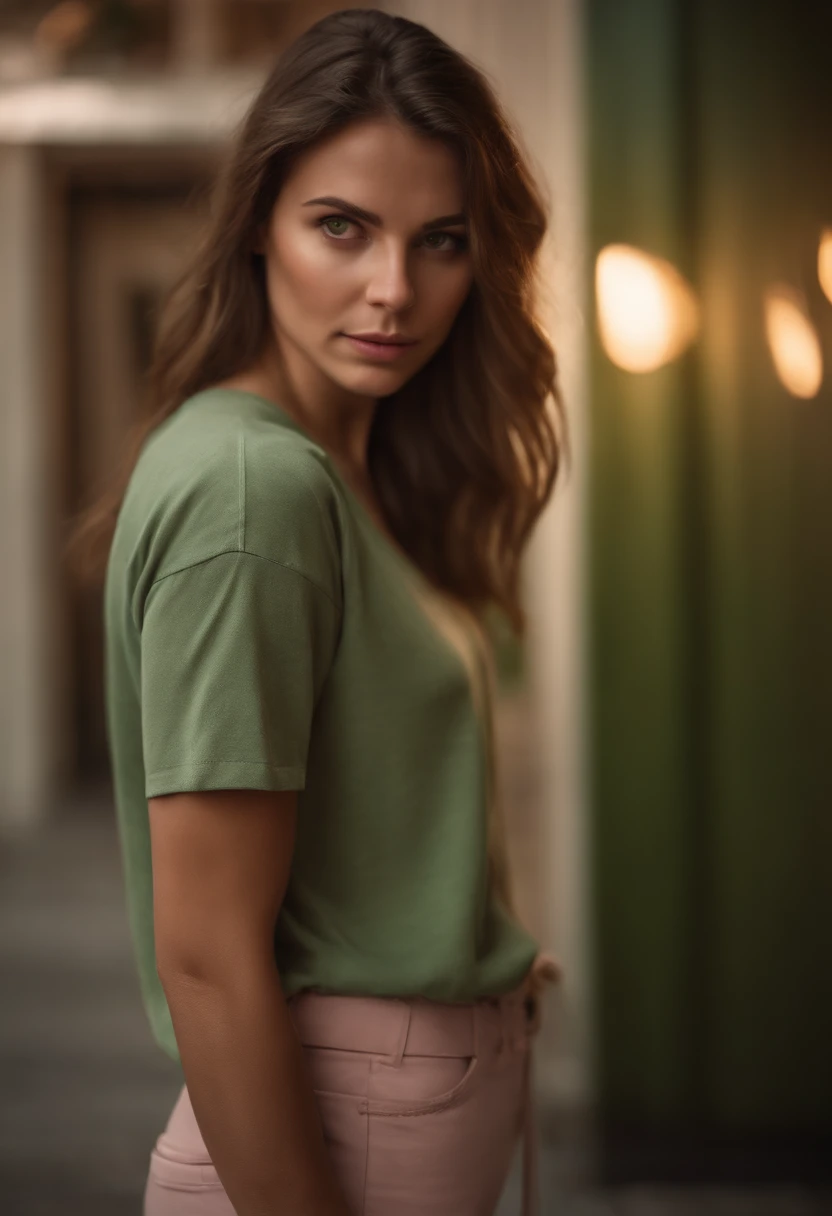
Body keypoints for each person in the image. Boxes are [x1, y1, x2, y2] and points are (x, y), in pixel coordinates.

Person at [68, 8, 566, 1214]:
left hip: (398, 1108)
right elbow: (207, 953)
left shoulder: (334, 466)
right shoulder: (253, 487)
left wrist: (462, 949)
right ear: (257, 223)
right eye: (341, 227)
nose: (393, 290)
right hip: (332, 1139)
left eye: (440, 240)